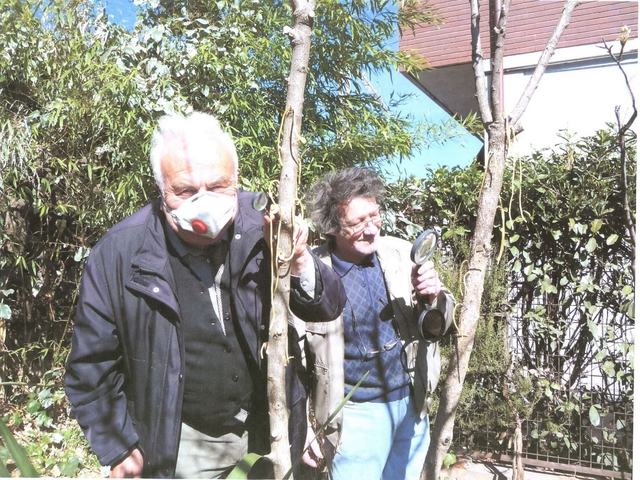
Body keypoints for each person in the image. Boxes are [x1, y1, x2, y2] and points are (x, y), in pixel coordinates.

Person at [64, 111, 346, 479]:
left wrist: (298, 262)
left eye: (217, 186)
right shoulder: (119, 254)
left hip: (270, 427)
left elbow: (327, 305)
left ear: (236, 180)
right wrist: (118, 445)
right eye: (184, 191)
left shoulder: (265, 226)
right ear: (160, 190)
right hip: (185, 441)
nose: (204, 201)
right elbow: (91, 364)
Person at [301, 167, 456, 480]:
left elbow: (443, 325)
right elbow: (293, 357)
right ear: (332, 227)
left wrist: (433, 297)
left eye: (374, 216)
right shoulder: (311, 273)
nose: (371, 229)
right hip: (355, 415)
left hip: (411, 407)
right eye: (358, 222)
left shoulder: (400, 253)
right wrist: (303, 428)